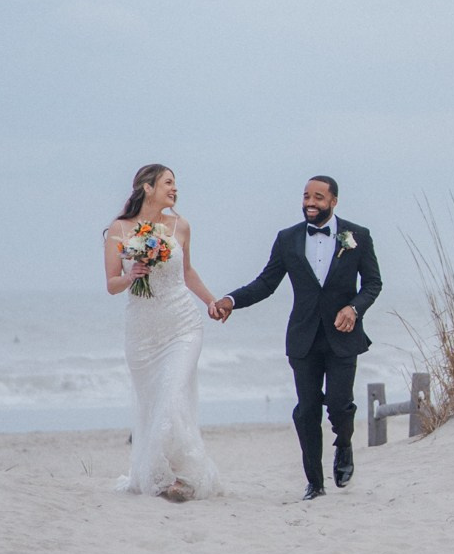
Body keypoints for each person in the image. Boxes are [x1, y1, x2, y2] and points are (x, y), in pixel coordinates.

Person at [212, 176, 383, 500]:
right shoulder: (287, 238)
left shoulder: (357, 236)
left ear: (333, 201)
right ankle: (315, 483)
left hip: (343, 335)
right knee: (307, 411)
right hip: (304, 338)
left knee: (339, 405)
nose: (310, 203)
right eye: (306, 196)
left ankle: (344, 444)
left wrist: (354, 309)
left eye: (318, 197)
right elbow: (266, 283)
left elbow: (373, 283)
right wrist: (231, 300)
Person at [102, 163, 223, 502]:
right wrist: (131, 275)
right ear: (147, 187)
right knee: (153, 405)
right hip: (142, 332)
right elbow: (111, 284)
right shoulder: (120, 229)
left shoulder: (180, 226)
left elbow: (187, 272)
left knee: (172, 398)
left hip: (183, 325)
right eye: (168, 183)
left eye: (175, 183)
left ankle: (184, 477)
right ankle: (159, 473)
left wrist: (211, 301)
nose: (174, 189)